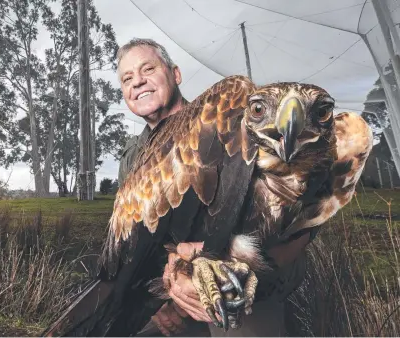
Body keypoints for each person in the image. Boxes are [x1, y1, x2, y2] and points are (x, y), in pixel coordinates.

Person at [116, 38, 317, 337]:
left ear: (176, 74)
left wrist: (217, 273)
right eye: (127, 78)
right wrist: (160, 297)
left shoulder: (231, 117)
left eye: (148, 69)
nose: (138, 82)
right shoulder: (133, 160)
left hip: (242, 275)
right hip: (169, 289)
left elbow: (301, 213)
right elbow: (134, 247)